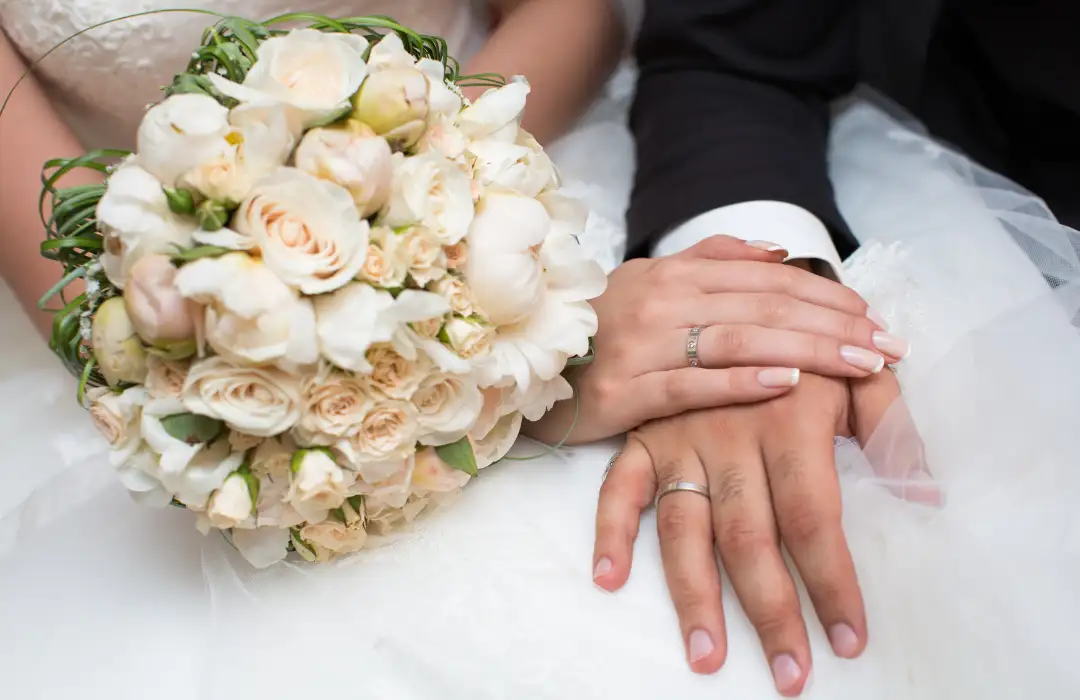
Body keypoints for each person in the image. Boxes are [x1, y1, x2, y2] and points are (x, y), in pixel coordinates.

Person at [0, 2, 1077, 700]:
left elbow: (579, 12)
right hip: (166, 340)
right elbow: (95, 291)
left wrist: (453, 236)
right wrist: (489, 369)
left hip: (516, 171)